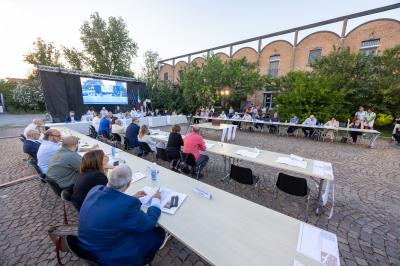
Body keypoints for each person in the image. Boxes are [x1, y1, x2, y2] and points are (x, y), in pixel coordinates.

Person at [78, 165, 165, 265]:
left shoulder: (95, 189)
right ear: (128, 184)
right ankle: (143, 261)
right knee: (158, 233)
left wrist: (132, 198)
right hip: (107, 257)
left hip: (87, 246)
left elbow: (110, 206)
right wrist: (156, 202)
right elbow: (149, 223)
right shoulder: (127, 206)